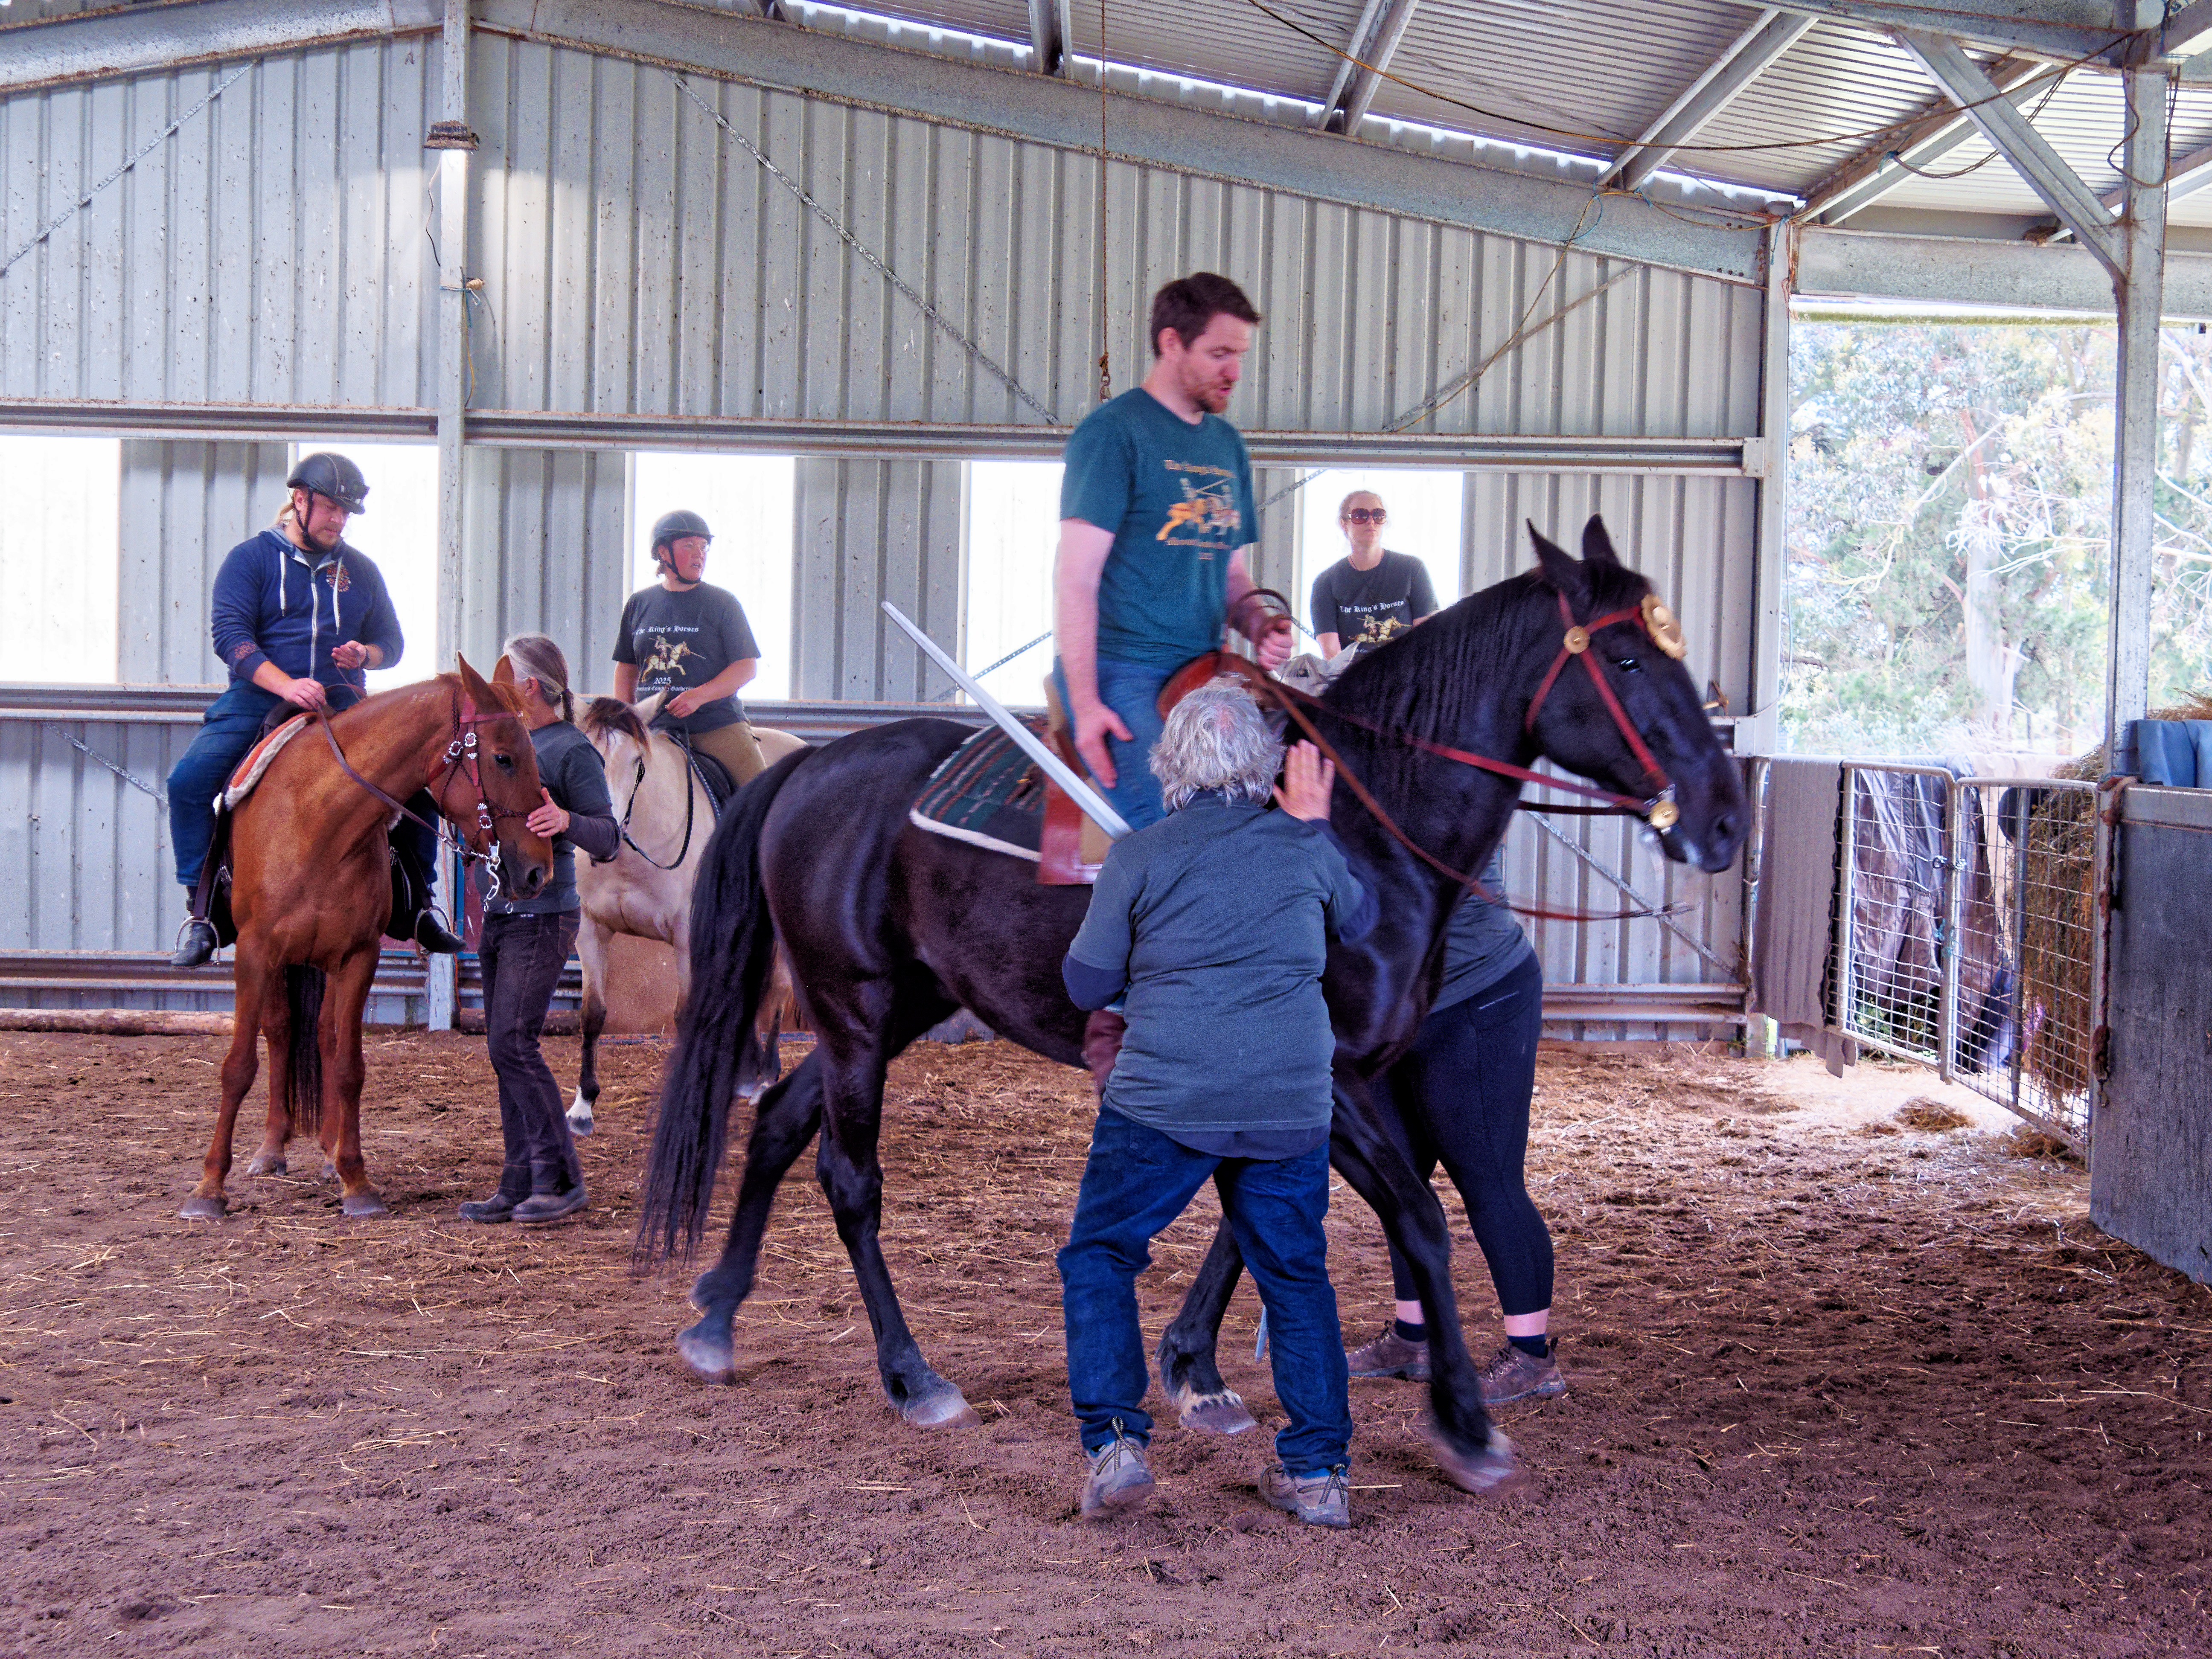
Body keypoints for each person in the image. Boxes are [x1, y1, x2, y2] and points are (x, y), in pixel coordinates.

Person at [1058, 682, 1375, 1528]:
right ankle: (1318, 1474)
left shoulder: (1139, 856)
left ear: (1172, 767)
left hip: (1164, 1100)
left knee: (1100, 1253)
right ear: (1267, 770)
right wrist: (1312, 828)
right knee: (1296, 1276)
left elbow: (1085, 982)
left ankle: (1117, 1446)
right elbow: (1364, 919)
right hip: (1287, 1102)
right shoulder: (1306, 849)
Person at [167, 452, 462, 968]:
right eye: (330, 509)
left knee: (421, 786)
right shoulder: (250, 560)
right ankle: (203, 909)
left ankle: (420, 905)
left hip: (345, 700)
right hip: (259, 695)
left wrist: (363, 655)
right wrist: (287, 686)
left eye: (345, 513)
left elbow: (390, 642)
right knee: (188, 784)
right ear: (299, 501)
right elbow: (230, 637)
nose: (339, 521)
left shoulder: (362, 571)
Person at [1054, 272, 1295, 832]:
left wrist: (1259, 624)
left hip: (1206, 670)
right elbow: (1076, 579)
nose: (1234, 372)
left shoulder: (1225, 445)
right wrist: (1087, 707)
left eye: (1239, 355)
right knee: (1181, 834)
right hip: (1125, 671)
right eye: (1219, 354)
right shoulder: (1114, 435)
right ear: (1171, 344)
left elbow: (1231, 572)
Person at [1340, 850, 1566, 1406]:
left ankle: (1532, 1356)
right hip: (1395, 1005)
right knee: (1399, 1181)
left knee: (1489, 1180)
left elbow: (1379, 894)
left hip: (1475, 993)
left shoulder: (1425, 778)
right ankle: (1412, 1337)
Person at [459, 634, 619, 1227]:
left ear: (528, 686)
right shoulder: (514, 743)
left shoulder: (572, 750)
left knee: (512, 1044)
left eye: (509, 676)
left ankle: (562, 1178)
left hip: (546, 915)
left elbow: (608, 836)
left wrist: (567, 820)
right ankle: (519, 1180)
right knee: (505, 1050)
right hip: (503, 913)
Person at [613, 510, 766, 789]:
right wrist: (627, 718)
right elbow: (626, 668)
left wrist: (698, 696)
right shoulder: (639, 604)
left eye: (704, 547)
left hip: (715, 724)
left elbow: (746, 667)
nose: (700, 554)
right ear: (663, 552)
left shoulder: (722, 603)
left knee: (759, 794)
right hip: (654, 727)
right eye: (689, 546)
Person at [1309, 489, 1438, 660]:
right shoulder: (1326, 583)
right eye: (1360, 515)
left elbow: (1428, 638)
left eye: (1378, 515)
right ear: (1344, 523)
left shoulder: (1413, 570)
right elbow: (1333, 656)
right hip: (1353, 681)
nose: (1371, 522)